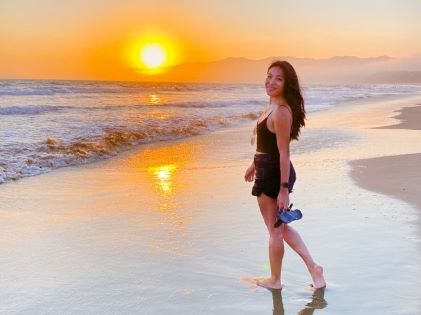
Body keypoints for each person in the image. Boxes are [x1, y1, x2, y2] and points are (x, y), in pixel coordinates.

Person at [244, 60, 326, 290]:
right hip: (267, 168)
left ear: (286, 83)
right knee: (279, 228)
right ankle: (314, 268)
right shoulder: (270, 106)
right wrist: (254, 164)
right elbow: (266, 144)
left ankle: (275, 280)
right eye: (269, 76)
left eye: (278, 79)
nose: (271, 82)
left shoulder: (280, 112)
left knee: (275, 230)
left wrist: (283, 190)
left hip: (274, 173)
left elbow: (283, 151)